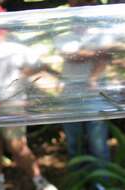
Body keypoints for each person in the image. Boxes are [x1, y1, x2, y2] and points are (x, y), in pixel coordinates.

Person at [0, 2, 58, 190]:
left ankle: (38, 180)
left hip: (11, 102)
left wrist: (23, 77)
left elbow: (40, 65)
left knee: (17, 146)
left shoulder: (14, 47)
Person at [60, 1, 111, 190]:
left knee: (98, 144)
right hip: (71, 94)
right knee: (74, 143)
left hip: (94, 94)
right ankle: (78, 182)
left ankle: (101, 184)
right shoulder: (65, 37)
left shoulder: (100, 34)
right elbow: (72, 55)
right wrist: (96, 54)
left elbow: (105, 56)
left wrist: (94, 72)